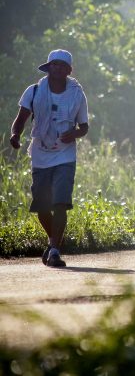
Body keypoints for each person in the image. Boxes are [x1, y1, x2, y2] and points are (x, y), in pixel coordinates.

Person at [9, 49, 89, 267]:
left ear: (68, 71)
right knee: (42, 207)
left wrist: (73, 133)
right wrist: (15, 135)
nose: (57, 68)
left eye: (62, 66)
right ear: (48, 67)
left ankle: (54, 249)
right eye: (54, 65)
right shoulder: (34, 91)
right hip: (40, 154)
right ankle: (53, 240)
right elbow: (21, 120)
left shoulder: (77, 94)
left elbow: (84, 127)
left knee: (60, 202)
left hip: (65, 154)